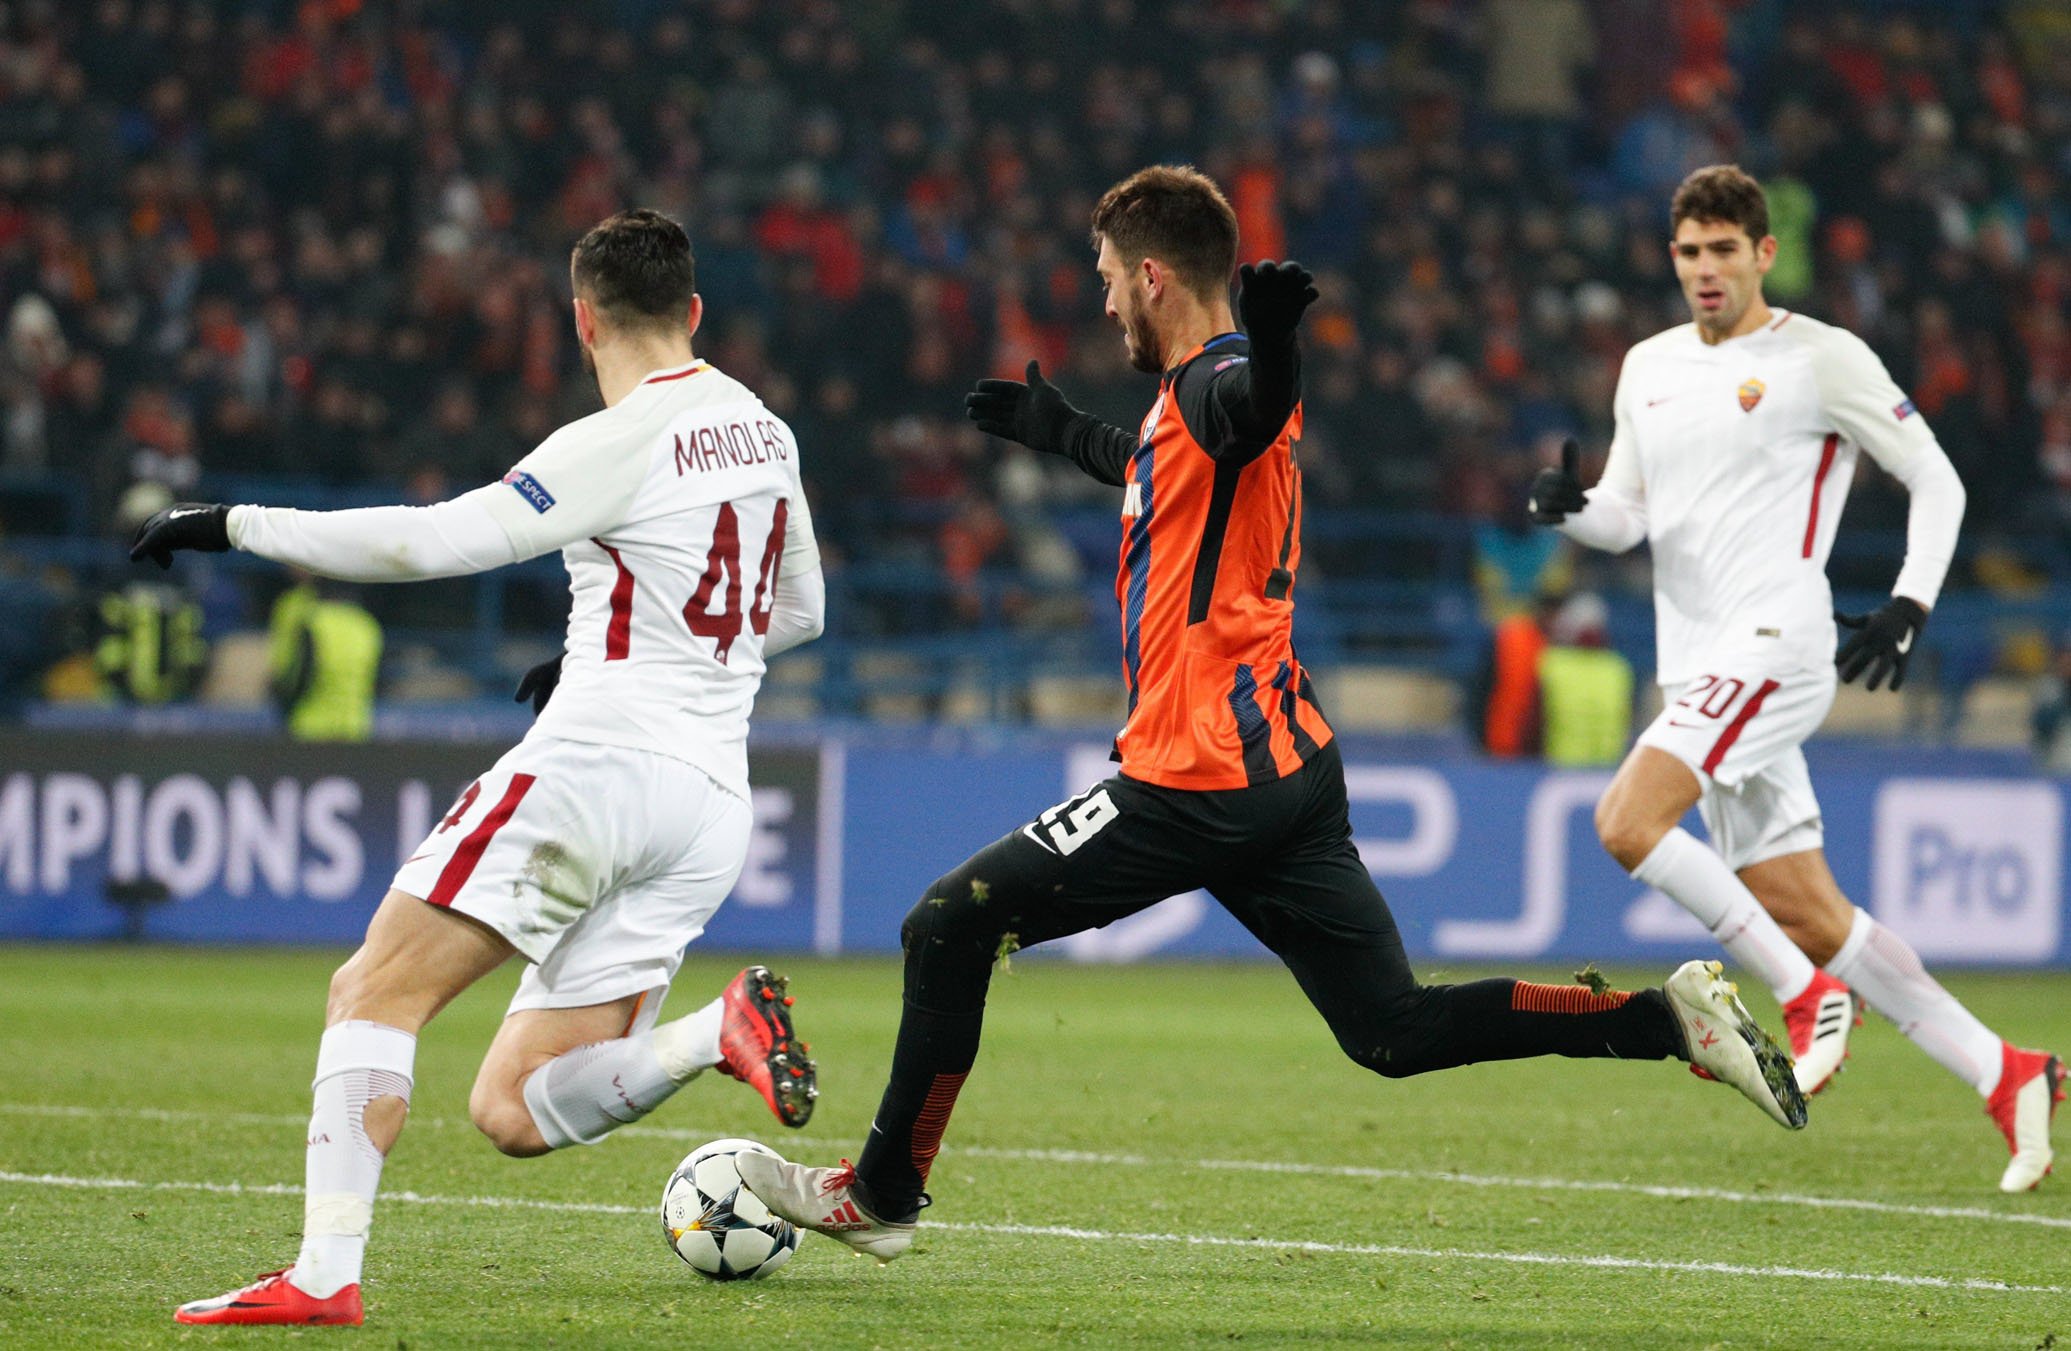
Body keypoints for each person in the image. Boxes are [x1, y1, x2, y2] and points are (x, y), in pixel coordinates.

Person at [736, 164, 1806, 1264]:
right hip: (1287, 770)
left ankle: (883, 1192)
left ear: (1153, 277)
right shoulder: (1183, 395)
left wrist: (1280, 344)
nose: (1102, 302)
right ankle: (1665, 1021)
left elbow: (1249, 415)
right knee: (1389, 1030)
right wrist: (1062, 432)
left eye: (1107, 279)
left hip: (1195, 777)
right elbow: (1167, 458)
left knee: (945, 923)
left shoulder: (1228, 375)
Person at [131, 209, 828, 1325]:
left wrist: (238, 525)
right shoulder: (765, 431)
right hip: (709, 804)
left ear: (580, 317)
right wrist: (634, 638)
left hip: (598, 770)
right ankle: (716, 1030)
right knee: (513, 1106)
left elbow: (431, 540)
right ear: (695, 312)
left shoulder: (611, 439)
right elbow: (800, 610)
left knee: (372, 991)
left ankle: (321, 1275)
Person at [1529, 164, 2063, 1192]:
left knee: (1625, 822)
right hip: (1698, 668)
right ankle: (2008, 1071)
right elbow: (1628, 515)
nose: (1706, 269)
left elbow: (1934, 477)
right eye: (1689, 252)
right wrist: (1572, 508)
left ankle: (1801, 993)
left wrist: (1909, 602)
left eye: (1724, 249)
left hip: (1776, 643)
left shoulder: (1821, 358)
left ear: (1763, 253)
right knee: (1813, 912)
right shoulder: (1646, 366)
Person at [267, 573, 383, 741]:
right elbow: (374, 680)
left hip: (310, 726)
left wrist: (285, 705)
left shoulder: (314, 621)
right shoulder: (366, 624)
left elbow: (301, 676)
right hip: (355, 727)